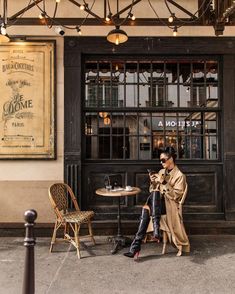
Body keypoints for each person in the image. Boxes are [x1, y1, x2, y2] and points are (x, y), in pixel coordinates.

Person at [124, 147, 190, 258]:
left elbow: (175, 196)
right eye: (160, 160)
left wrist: (163, 182)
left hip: (170, 205)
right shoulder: (161, 172)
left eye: (163, 160)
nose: (161, 162)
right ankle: (151, 233)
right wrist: (153, 182)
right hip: (157, 204)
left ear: (171, 159)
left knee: (147, 206)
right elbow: (152, 189)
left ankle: (136, 246)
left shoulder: (180, 176)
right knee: (150, 201)